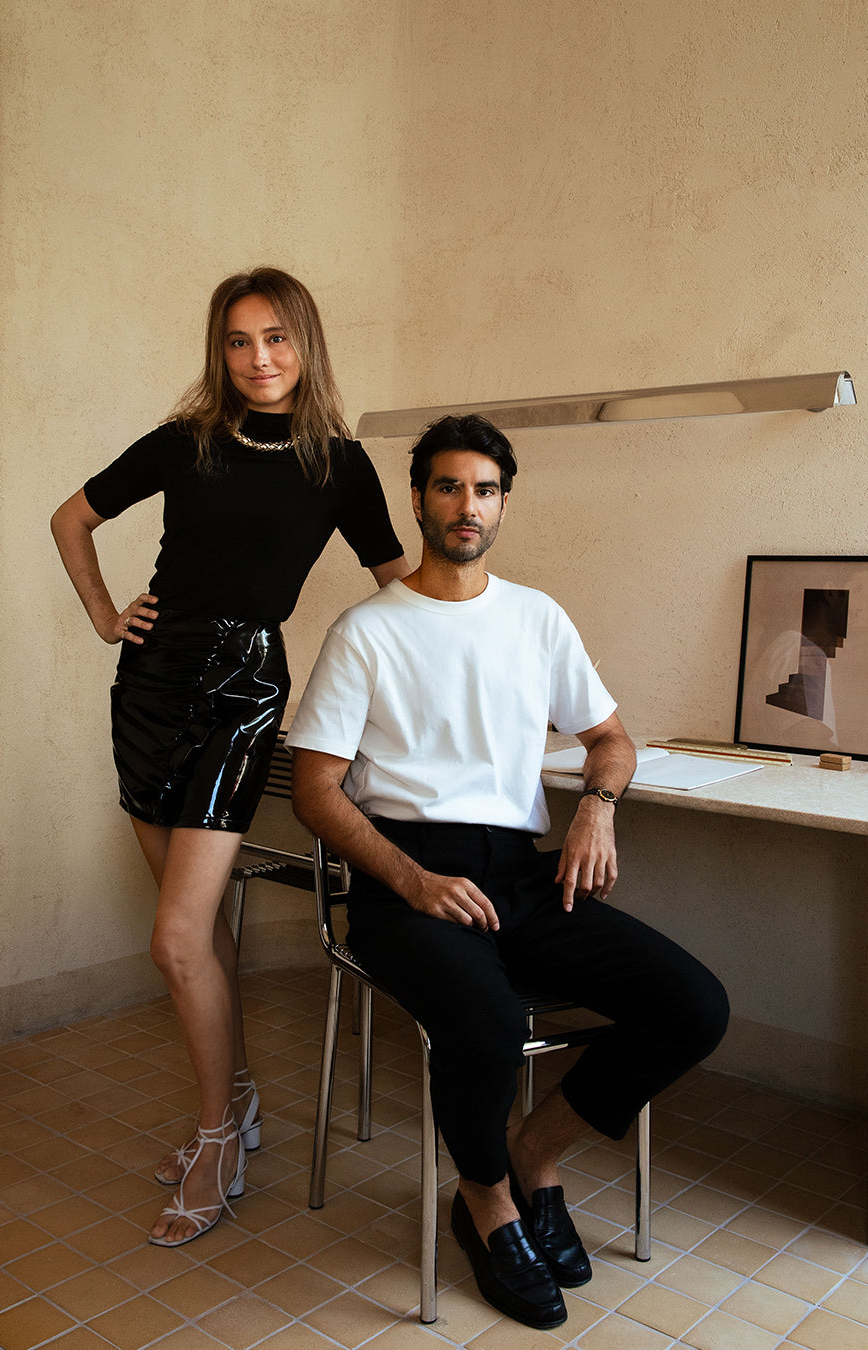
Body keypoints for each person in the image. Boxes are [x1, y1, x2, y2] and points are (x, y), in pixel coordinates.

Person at [287, 413, 730, 1329]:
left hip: (519, 876)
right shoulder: (367, 630)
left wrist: (596, 808)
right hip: (406, 881)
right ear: (419, 501)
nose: (468, 505)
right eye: (449, 487)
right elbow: (315, 792)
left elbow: (611, 740)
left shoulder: (537, 618)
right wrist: (413, 881)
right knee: (487, 1023)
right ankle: (485, 1200)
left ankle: (534, 1153)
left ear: (502, 505)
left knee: (693, 1005)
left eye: (485, 490)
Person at [50, 267, 409, 1248]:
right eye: (240, 341)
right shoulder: (187, 442)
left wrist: (435, 684)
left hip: (243, 693)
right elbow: (71, 518)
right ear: (221, 350)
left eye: (277, 338)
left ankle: (217, 1136)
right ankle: (236, 1102)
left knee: (175, 939)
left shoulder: (340, 465)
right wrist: (105, 614)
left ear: (306, 344)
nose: (259, 358)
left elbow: (401, 592)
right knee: (199, 931)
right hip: (149, 686)